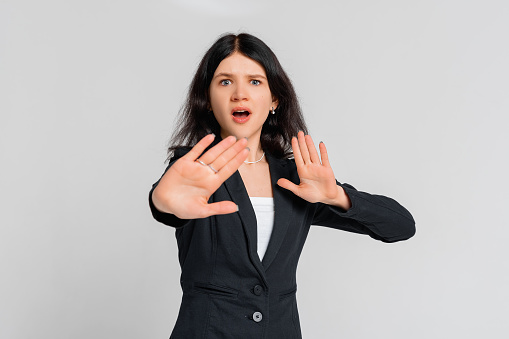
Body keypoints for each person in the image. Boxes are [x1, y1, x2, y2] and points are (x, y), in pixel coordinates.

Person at [149, 33, 415, 339]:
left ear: (274, 99)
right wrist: (161, 202)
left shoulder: (297, 177)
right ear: (207, 99)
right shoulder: (193, 170)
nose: (239, 94)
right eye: (225, 82)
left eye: (255, 81)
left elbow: (401, 226)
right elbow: (167, 203)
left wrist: (336, 196)